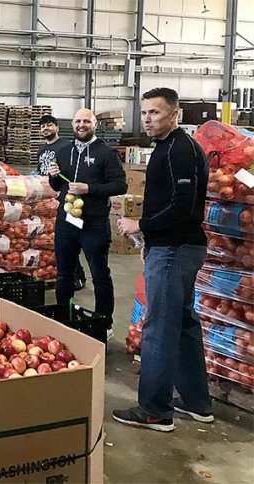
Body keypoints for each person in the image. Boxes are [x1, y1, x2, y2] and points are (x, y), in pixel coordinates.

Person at [113, 88, 211, 432]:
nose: (147, 118)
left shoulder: (179, 151)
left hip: (176, 249)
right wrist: (149, 238)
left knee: (158, 328)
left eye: (155, 112)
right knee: (183, 323)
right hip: (173, 247)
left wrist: (141, 224)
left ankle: (154, 411)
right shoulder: (168, 149)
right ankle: (198, 403)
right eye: (144, 113)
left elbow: (183, 208)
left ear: (175, 115)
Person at [48, 109, 127, 334]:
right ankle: (63, 317)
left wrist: (89, 189)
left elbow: (120, 185)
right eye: (77, 121)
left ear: (94, 125)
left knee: (99, 274)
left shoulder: (106, 153)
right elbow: (57, 187)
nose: (81, 125)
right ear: (72, 124)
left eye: (86, 121)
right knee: (63, 273)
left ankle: (105, 322)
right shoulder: (63, 152)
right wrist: (53, 176)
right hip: (66, 222)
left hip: (94, 224)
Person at [36, 114, 87, 291]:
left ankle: (78, 275)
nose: (45, 129)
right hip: (46, 201)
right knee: (54, 240)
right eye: (42, 126)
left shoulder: (66, 146)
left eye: (49, 125)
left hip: (66, 200)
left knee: (69, 238)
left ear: (57, 127)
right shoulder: (41, 150)